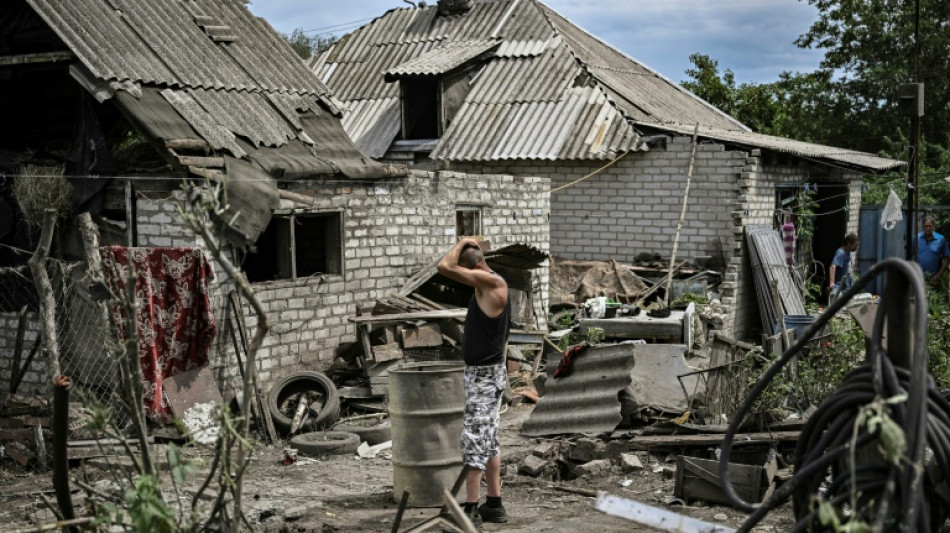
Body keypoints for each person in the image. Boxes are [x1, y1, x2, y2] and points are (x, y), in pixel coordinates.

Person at [437, 238, 510, 526]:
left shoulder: (492, 284)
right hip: (486, 374)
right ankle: (494, 504)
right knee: (489, 442)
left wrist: (462, 242)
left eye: (469, 273)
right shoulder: (488, 282)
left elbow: (444, 266)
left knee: (474, 442)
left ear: (477, 267)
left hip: (484, 377)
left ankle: (469, 511)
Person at [917, 216, 950, 284]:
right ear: (922, 227)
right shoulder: (916, 239)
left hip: (934, 278)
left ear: (934, 227)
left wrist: (938, 274)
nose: (928, 228)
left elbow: (947, 258)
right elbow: (909, 256)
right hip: (918, 277)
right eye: (926, 226)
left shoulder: (941, 239)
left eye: (930, 226)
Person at [828, 233, 859, 300]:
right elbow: (833, 267)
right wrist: (832, 282)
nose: (857, 248)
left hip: (846, 286)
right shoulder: (841, 253)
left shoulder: (848, 252)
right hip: (839, 287)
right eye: (855, 245)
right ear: (848, 244)